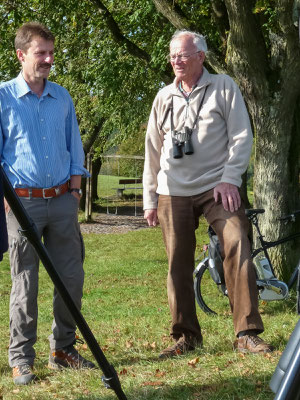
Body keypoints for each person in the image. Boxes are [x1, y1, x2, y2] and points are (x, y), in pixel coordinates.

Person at [143, 30, 274, 359]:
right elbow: (153, 153)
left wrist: (230, 178)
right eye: (172, 56)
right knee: (177, 261)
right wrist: (149, 199)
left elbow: (242, 137)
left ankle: (246, 333)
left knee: (237, 241)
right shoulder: (163, 97)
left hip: (218, 185)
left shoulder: (224, 87)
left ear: (201, 56)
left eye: (183, 55)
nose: (176, 61)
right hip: (173, 190)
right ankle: (186, 336)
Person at [0, 22, 95, 385]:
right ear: (21, 55)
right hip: (20, 205)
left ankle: (63, 349)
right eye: (41, 53)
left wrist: (74, 191)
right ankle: (22, 357)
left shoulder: (62, 97)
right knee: (25, 282)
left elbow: (75, 147)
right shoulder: (3, 97)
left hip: (61, 202)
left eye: (51, 53)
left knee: (71, 278)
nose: (49, 60)